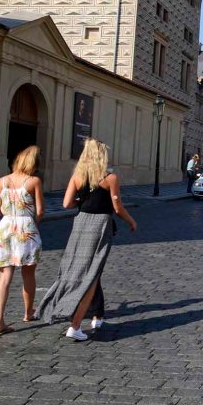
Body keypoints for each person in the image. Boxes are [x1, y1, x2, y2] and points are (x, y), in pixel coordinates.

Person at [38, 138, 137, 341]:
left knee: (77, 268)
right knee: (92, 272)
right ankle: (75, 326)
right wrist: (131, 221)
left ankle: (94, 314)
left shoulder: (77, 177)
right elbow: (117, 208)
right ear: (102, 156)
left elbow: (66, 203)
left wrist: (82, 200)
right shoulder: (110, 178)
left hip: (80, 223)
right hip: (100, 226)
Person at [0, 145, 44, 337]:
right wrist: (31, 223)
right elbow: (40, 211)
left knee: (4, 278)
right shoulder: (33, 181)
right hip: (26, 228)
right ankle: (28, 312)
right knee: (28, 274)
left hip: (5, 229)